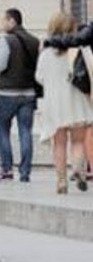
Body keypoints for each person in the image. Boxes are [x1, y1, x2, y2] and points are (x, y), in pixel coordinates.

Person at [35, 11, 93, 194]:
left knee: (59, 144)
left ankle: (61, 181)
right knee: (77, 142)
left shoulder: (46, 53)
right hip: (76, 100)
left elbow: (39, 77)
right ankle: (77, 169)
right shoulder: (80, 49)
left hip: (55, 103)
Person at [0, 8, 41, 182]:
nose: (2, 24)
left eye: (4, 20)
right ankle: (25, 172)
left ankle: (7, 169)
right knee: (26, 132)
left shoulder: (7, 40)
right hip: (29, 93)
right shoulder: (34, 41)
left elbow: (1, 65)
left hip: (8, 93)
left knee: (3, 131)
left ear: (12, 21)